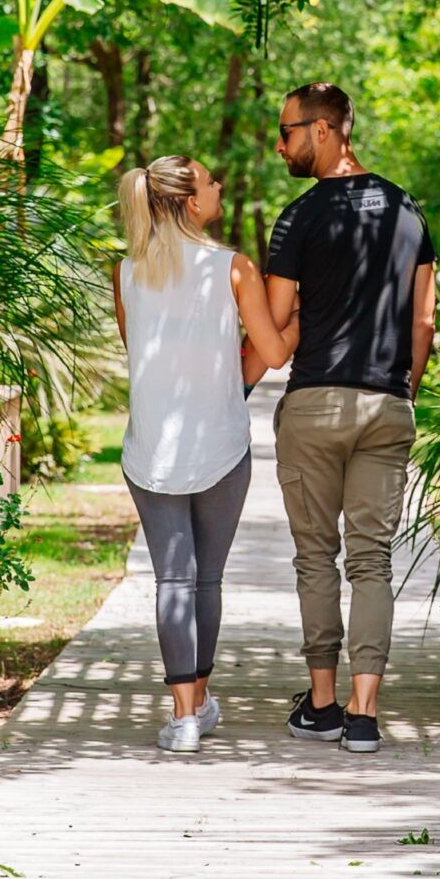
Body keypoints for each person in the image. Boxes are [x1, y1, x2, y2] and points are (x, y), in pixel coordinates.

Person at [263, 83, 438, 755]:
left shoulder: (298, 218)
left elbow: (278, 323)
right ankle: (365, 715)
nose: (281, 143)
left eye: (288, 131)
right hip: (387, 403)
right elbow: (424, 321)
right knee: (372, 561)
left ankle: (325, 703)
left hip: (314, 403)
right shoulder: (409, 209)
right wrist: (403, 392)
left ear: (326, 130)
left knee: (316, 557)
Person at [115, 155, 294, 753]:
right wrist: (303, 318)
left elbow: (147, 360)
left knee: (173, 577)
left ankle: (186, 715)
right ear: (192, 201)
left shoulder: (126, 274)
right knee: (206, 578)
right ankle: (198, 705)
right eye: (212, 181)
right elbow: (267, 354)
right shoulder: (233, 268)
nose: (219, 186)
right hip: (220, 445)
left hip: (150, 453)